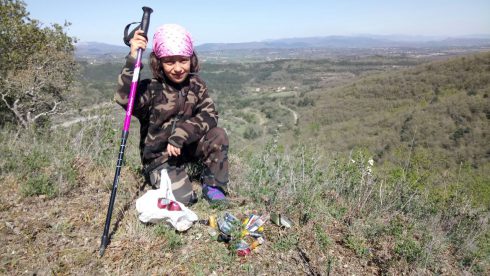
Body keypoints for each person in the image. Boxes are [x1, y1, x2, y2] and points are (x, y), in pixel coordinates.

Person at [115, 24, 229, 205]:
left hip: (186, 148)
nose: (177, 68)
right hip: (160, 158)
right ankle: (164, 176)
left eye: (183, 60)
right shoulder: (150, 88)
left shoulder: (196, 84)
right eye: (169, 62)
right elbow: (124, 98)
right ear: (158, 62)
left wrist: (182, 133)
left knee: (218, 135)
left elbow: (210, 115)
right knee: (185, 200)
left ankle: (213, 186)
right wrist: (132, 58)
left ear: (191, 59)